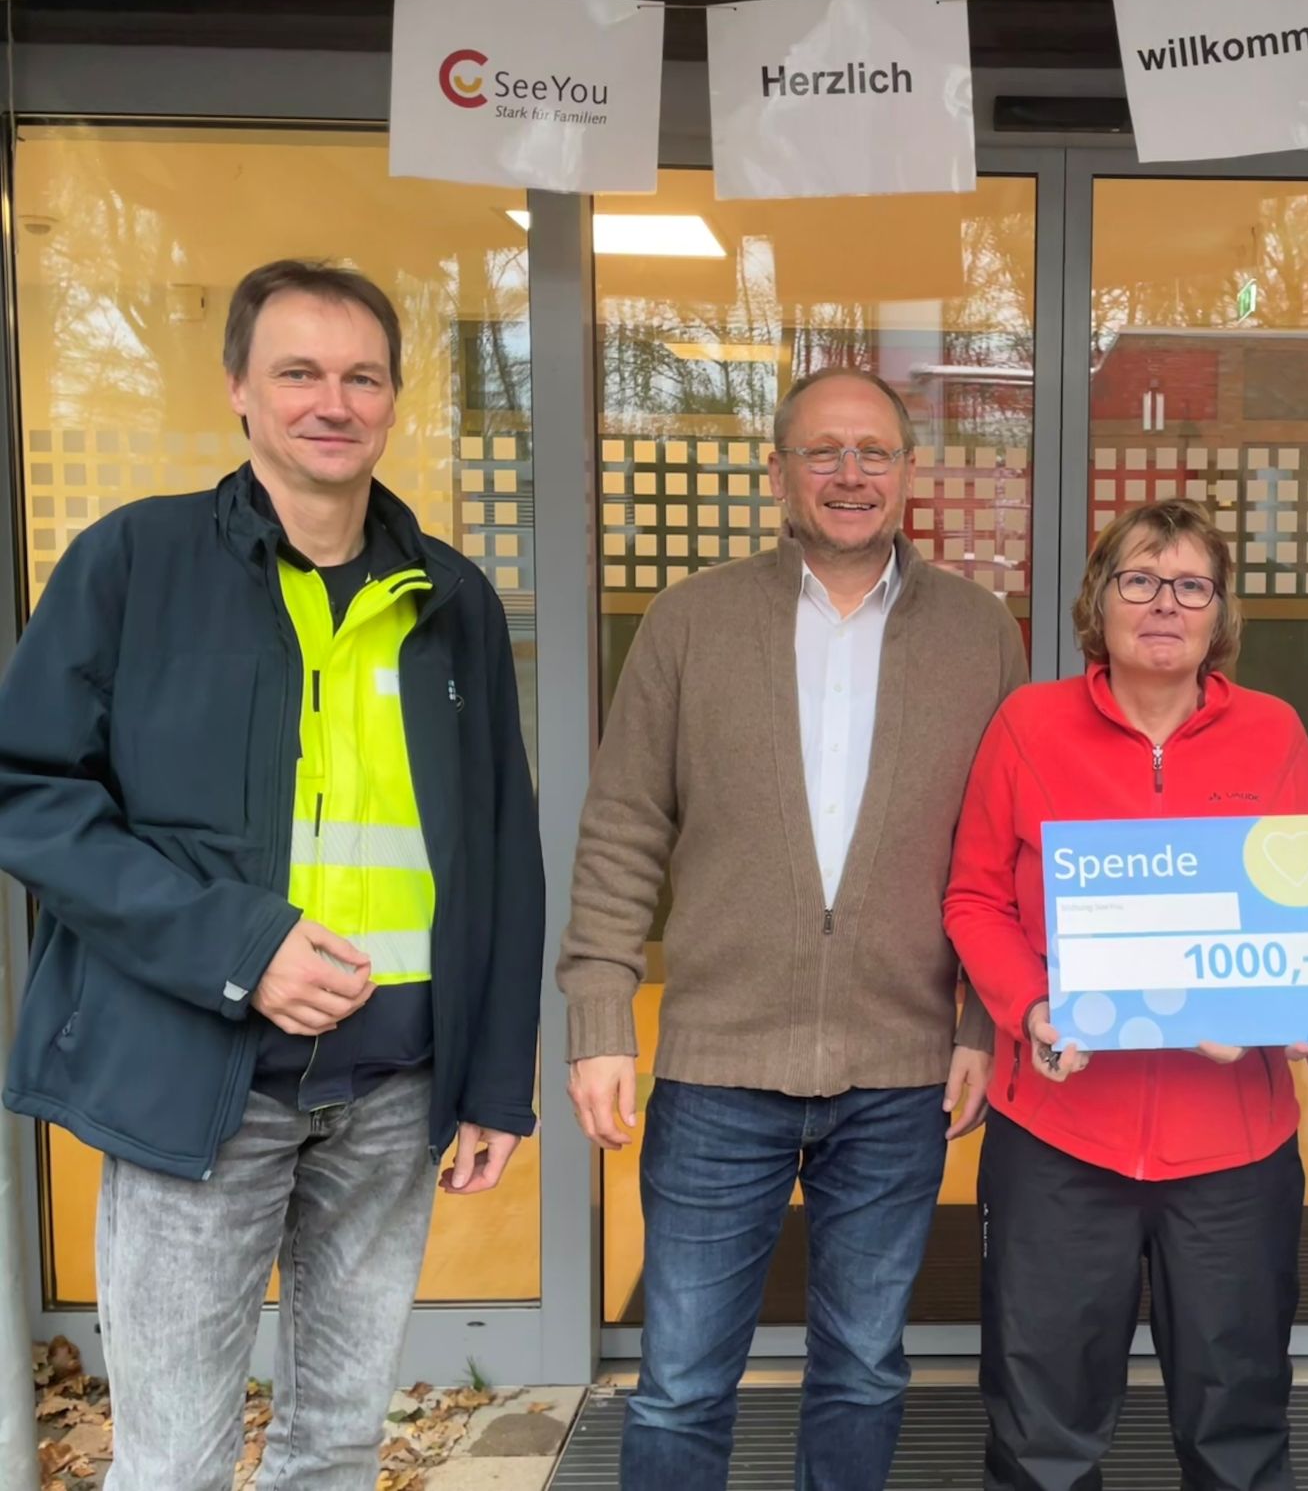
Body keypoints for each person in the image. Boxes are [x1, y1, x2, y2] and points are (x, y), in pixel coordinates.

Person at [0, 259, 545, 1489]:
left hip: (393, 1092)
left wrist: (495, 1081)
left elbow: (501, 849)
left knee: (336, 1443)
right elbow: (29, 793)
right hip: (198, 1077)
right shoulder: (134, 563)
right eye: (298, 371)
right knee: (177, 1459)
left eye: (361, 376)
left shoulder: (448, 597)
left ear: (395, 399)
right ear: (239, 388)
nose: (331, 402)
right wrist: (241, 948)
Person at [557, 366, 1027, 1491]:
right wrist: (598, 1016)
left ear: (911, 473)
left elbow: (1000, 850)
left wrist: (980, 1026)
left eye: (873, 451)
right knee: (678, 1377)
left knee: (864, 1368)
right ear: (777, 472)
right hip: (719, 1065)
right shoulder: (690, 621)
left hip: (900, 1068)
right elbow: (622, 824)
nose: (849, 474)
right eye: (822, 451)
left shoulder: (977, 632)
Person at [945, 497, 1308, 1491]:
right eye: (1138, 580)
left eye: (1189, 585)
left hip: (1233, 1144)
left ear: (1216, 613)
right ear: (1098, 601)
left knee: (1237, 1423)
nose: (1164, 604)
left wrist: (1300, 1014)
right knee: (1039, 1431)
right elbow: (971, 895)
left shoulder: (1269, 733)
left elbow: (1296, 918)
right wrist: (1031, 1007)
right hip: (1058, 1134)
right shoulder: (1026, 725)